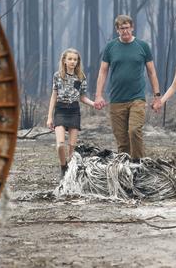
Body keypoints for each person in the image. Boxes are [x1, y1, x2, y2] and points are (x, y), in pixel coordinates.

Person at [94, 14, 161, 161]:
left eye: (127, 28)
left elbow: (151, 72)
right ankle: (125, 168)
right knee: (122, 140)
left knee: (134, 130)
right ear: (117, 30)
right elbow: (103, 71)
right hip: (117, 99)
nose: (125, 31)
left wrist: (157, 96)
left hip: (137, 98)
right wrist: (98, 95)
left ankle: (138, 164)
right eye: (122, 28)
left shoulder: (142, 46)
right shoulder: (111, 47)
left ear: (132, 28)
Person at [47, 48, 95, 177]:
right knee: (60, 144)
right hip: (60, 110)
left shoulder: (81, 77)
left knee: (72, 145)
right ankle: (63, 166)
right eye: (70, 59)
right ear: (64, 60)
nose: (73, 62)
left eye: (75, 59)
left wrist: (94, 104)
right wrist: (49, 117)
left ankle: (71, 170)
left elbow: (82, 97)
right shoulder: (57, 76)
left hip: (74, 111)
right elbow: (54, 95)